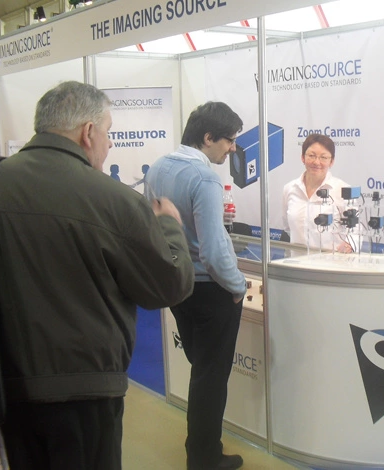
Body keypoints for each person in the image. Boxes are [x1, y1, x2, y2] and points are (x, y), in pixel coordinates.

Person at [0, 81, 195, 470]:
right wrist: (168, 225)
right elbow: (169, 286)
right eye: (108, 132)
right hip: (87, 391)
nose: (110, 143)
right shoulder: (115, 200)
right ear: (88, 132)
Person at [146, 101, 247, 470]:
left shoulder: (159, 167)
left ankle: (200, 450)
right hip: (210, 290)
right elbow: (215, 252)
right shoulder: (204, 178)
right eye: (229, 140)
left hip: (177, 284)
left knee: (201, 369)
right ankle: (204, 458)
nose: (232, 148)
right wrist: (238, 286)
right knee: (210, 377)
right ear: (208, 138)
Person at [282, 134, 353, 252]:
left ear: (331, 161)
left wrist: (349, 244)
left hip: (330, 261)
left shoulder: (343, 190)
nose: (316, 162)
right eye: (311, 156)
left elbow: (355, 229)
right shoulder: (289, 189)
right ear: (303, 158)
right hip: (298, 261)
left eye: (323, 157)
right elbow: (287, 227)